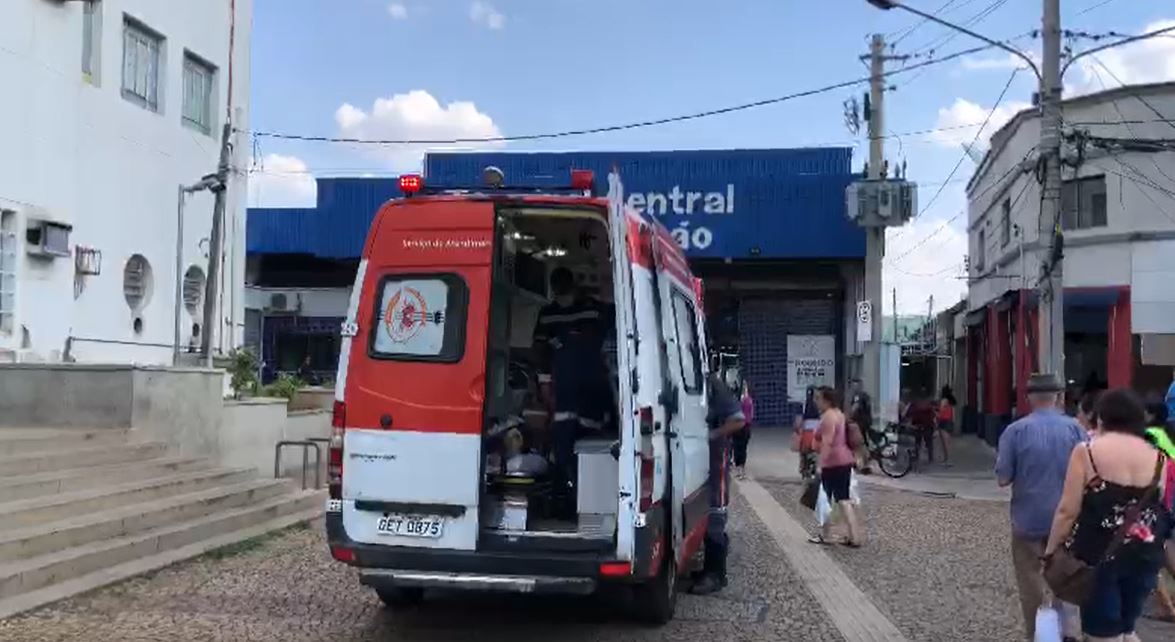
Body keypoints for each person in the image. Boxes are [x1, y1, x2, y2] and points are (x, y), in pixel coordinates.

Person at [1043, 389, 1174, 641]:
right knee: (1126, 628)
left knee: (1103, 632)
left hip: (1097, 556)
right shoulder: (1159, 458)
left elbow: (1067, 511)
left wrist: (1051, 551)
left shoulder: (1087, 452)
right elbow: (1158, 508)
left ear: (1102, 418)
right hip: (1145, 557)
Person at [995, 373, 1087, 642]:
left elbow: (1003, 478)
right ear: (1059, 397)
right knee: (1069, 577)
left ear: (1028, 399)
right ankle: (1069, 631)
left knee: (1030, 580)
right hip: (1069, 520)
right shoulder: (1076, 429)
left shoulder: (1014, 431)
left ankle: (1038, 634)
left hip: (1028, 519)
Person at [533, 267, 613, 516]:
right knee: (565, 447)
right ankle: (570, 497)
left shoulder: (593, 309)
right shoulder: (547, 314)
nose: (560, 291)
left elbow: (609, 342)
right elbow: (539, 350)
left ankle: (587, 497)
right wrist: (545, 383)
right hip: (564, 391)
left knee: (592, 448)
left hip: (592, 391)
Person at [690, 373, 747, 595]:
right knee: (703, 512)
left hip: (715, 460)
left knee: (715, 512)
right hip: (697, 460)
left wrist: (711, 435)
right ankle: (709, 569)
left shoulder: (712, 385)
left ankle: (716, 574)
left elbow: (738, 420)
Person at [807, 386, 863, 547]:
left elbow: (827, 442)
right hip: (844, 461)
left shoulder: (828, 417)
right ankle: (854, 536)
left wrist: (820, 464)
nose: (816, 401)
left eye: (818, 398)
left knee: (824, 500)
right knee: (843, 499)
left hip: (832, 463)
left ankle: (826, 535)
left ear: (827, 400)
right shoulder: (839, 414)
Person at [1143, 402, 1175, 623]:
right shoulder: (1166, 434)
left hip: (1157, 500)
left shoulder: (1148, 435)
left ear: (1150, 414)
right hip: (1169, 498)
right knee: (1165, 549)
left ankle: (1167, 608)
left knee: (1150, 554)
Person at [732, 381, 755, 480]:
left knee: (737, 448)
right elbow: (751, 414)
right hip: (745, 426)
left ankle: (739, 469)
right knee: (742, 448)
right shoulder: (749, 400)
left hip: (739, 426)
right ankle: (741, 469)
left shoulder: (738, 400)